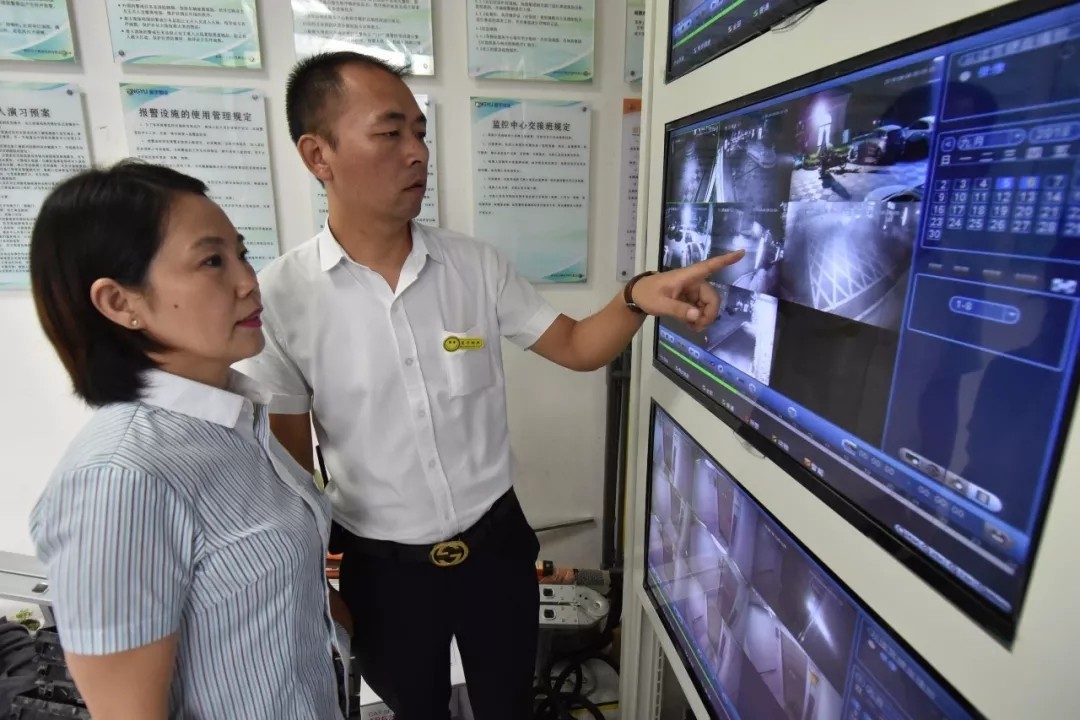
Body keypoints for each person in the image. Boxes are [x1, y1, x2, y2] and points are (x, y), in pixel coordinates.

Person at [235, 51, 744, 720]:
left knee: (509, 703)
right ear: (318, 155)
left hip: (495, 549)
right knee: (416, 709)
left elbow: (577, 346)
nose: (417, 152)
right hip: (382, 570)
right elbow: (291, 469)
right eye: (390, 133)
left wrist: (637, 298)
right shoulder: (281, 298)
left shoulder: (473, 267)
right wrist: (313, 583)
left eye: (420, 132)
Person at [27, 160, 344, 720]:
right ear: (121, 303)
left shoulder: (238, 421)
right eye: (212, 262)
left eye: (241, 253)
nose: (249, 281)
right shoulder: (121, 477)